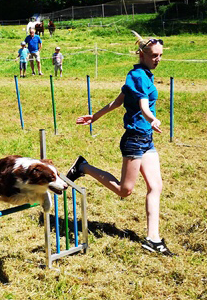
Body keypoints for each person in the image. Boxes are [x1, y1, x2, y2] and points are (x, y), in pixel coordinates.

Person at [67, 31, 175, 256]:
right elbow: (144, 106)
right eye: (154, 55)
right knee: (125, 191)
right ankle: (83, 166)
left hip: (146, 139)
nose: (158, 59)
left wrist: (94, 117)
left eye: (161, 55)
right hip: (135, 139)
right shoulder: (137, 76)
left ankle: (152, 239)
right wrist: (152, 119)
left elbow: (119, 101)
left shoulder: (145, 74)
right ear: (142, 54)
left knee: (156, 187)